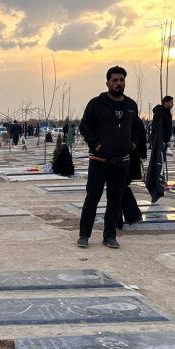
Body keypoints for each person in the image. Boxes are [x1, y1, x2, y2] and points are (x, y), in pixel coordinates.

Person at [77, 66, 141, 249]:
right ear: (107, 83)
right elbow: (85, 127)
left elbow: (137, 128)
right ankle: (84, 235)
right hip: (99, 161)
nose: (118, 83)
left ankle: (110, 236)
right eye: (115, 80)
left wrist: (133, 144)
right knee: (93, 198)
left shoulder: (130, 105)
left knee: (115, 200)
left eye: (121, 80)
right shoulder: (96, 104)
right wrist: (96, 145)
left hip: (121, 163)